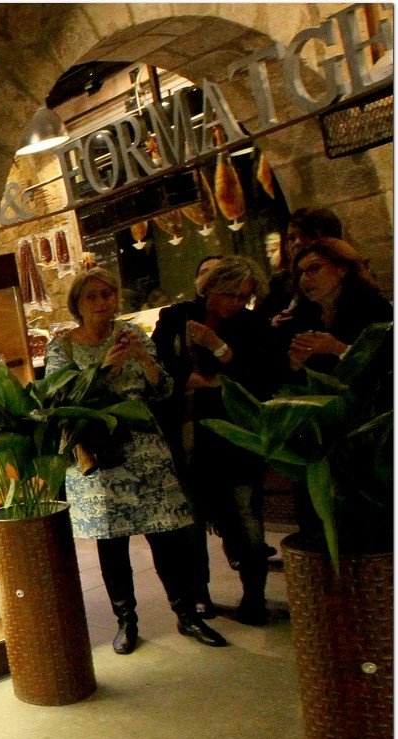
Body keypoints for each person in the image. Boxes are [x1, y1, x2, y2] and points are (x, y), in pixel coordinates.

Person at [47, 268, 228, 655]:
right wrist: (106, 367)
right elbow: (60, 397)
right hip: (99, 453)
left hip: (145, 449)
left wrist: (144, 361)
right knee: (113, 543)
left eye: (108, 295)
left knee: (167, 535)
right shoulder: (62, 346)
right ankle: (126, 621)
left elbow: (163, 388)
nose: (102, 303)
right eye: (92, 297)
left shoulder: (133, 334)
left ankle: (186, 616)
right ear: (77, 304)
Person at [152, 257, 282, 625]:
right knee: (190, 521)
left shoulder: (253, 325)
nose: (235, 304)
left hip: (234, 439)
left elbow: (259, 379)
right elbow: (156, 367)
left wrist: (219, 348)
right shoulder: (176, 316)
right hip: (186, 434)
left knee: (245, 517)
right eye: (229, 295)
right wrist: (190, 381)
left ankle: (254, 595)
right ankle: (200, 596)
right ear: (210, 288)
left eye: (243, 297)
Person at [280, 238, 393, 373]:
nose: (304, 279)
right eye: (300, 273)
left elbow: (386, 364)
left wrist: (337, 348)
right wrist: (295, 363)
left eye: (314, 268)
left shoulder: (373, 307)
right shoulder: (303, 316)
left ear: (342, 269)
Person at [258, 208, 343, 323]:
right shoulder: (281, 283)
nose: (297, 243)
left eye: (308, 234)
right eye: (291, 238)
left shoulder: (347, 279)